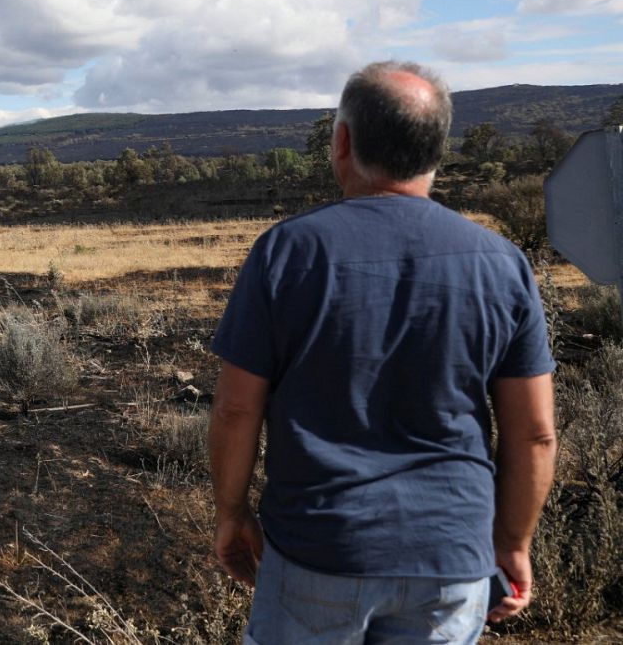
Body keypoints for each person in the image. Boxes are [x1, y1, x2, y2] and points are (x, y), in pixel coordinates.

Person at [207, 61, 557, 644]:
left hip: (320, 547)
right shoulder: (501, 262)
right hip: (451, 554)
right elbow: (535, 433)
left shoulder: (287, 253)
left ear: (341, 142)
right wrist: (513, 543)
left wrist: (231, 512)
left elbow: (237, 410)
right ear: (436, 150)